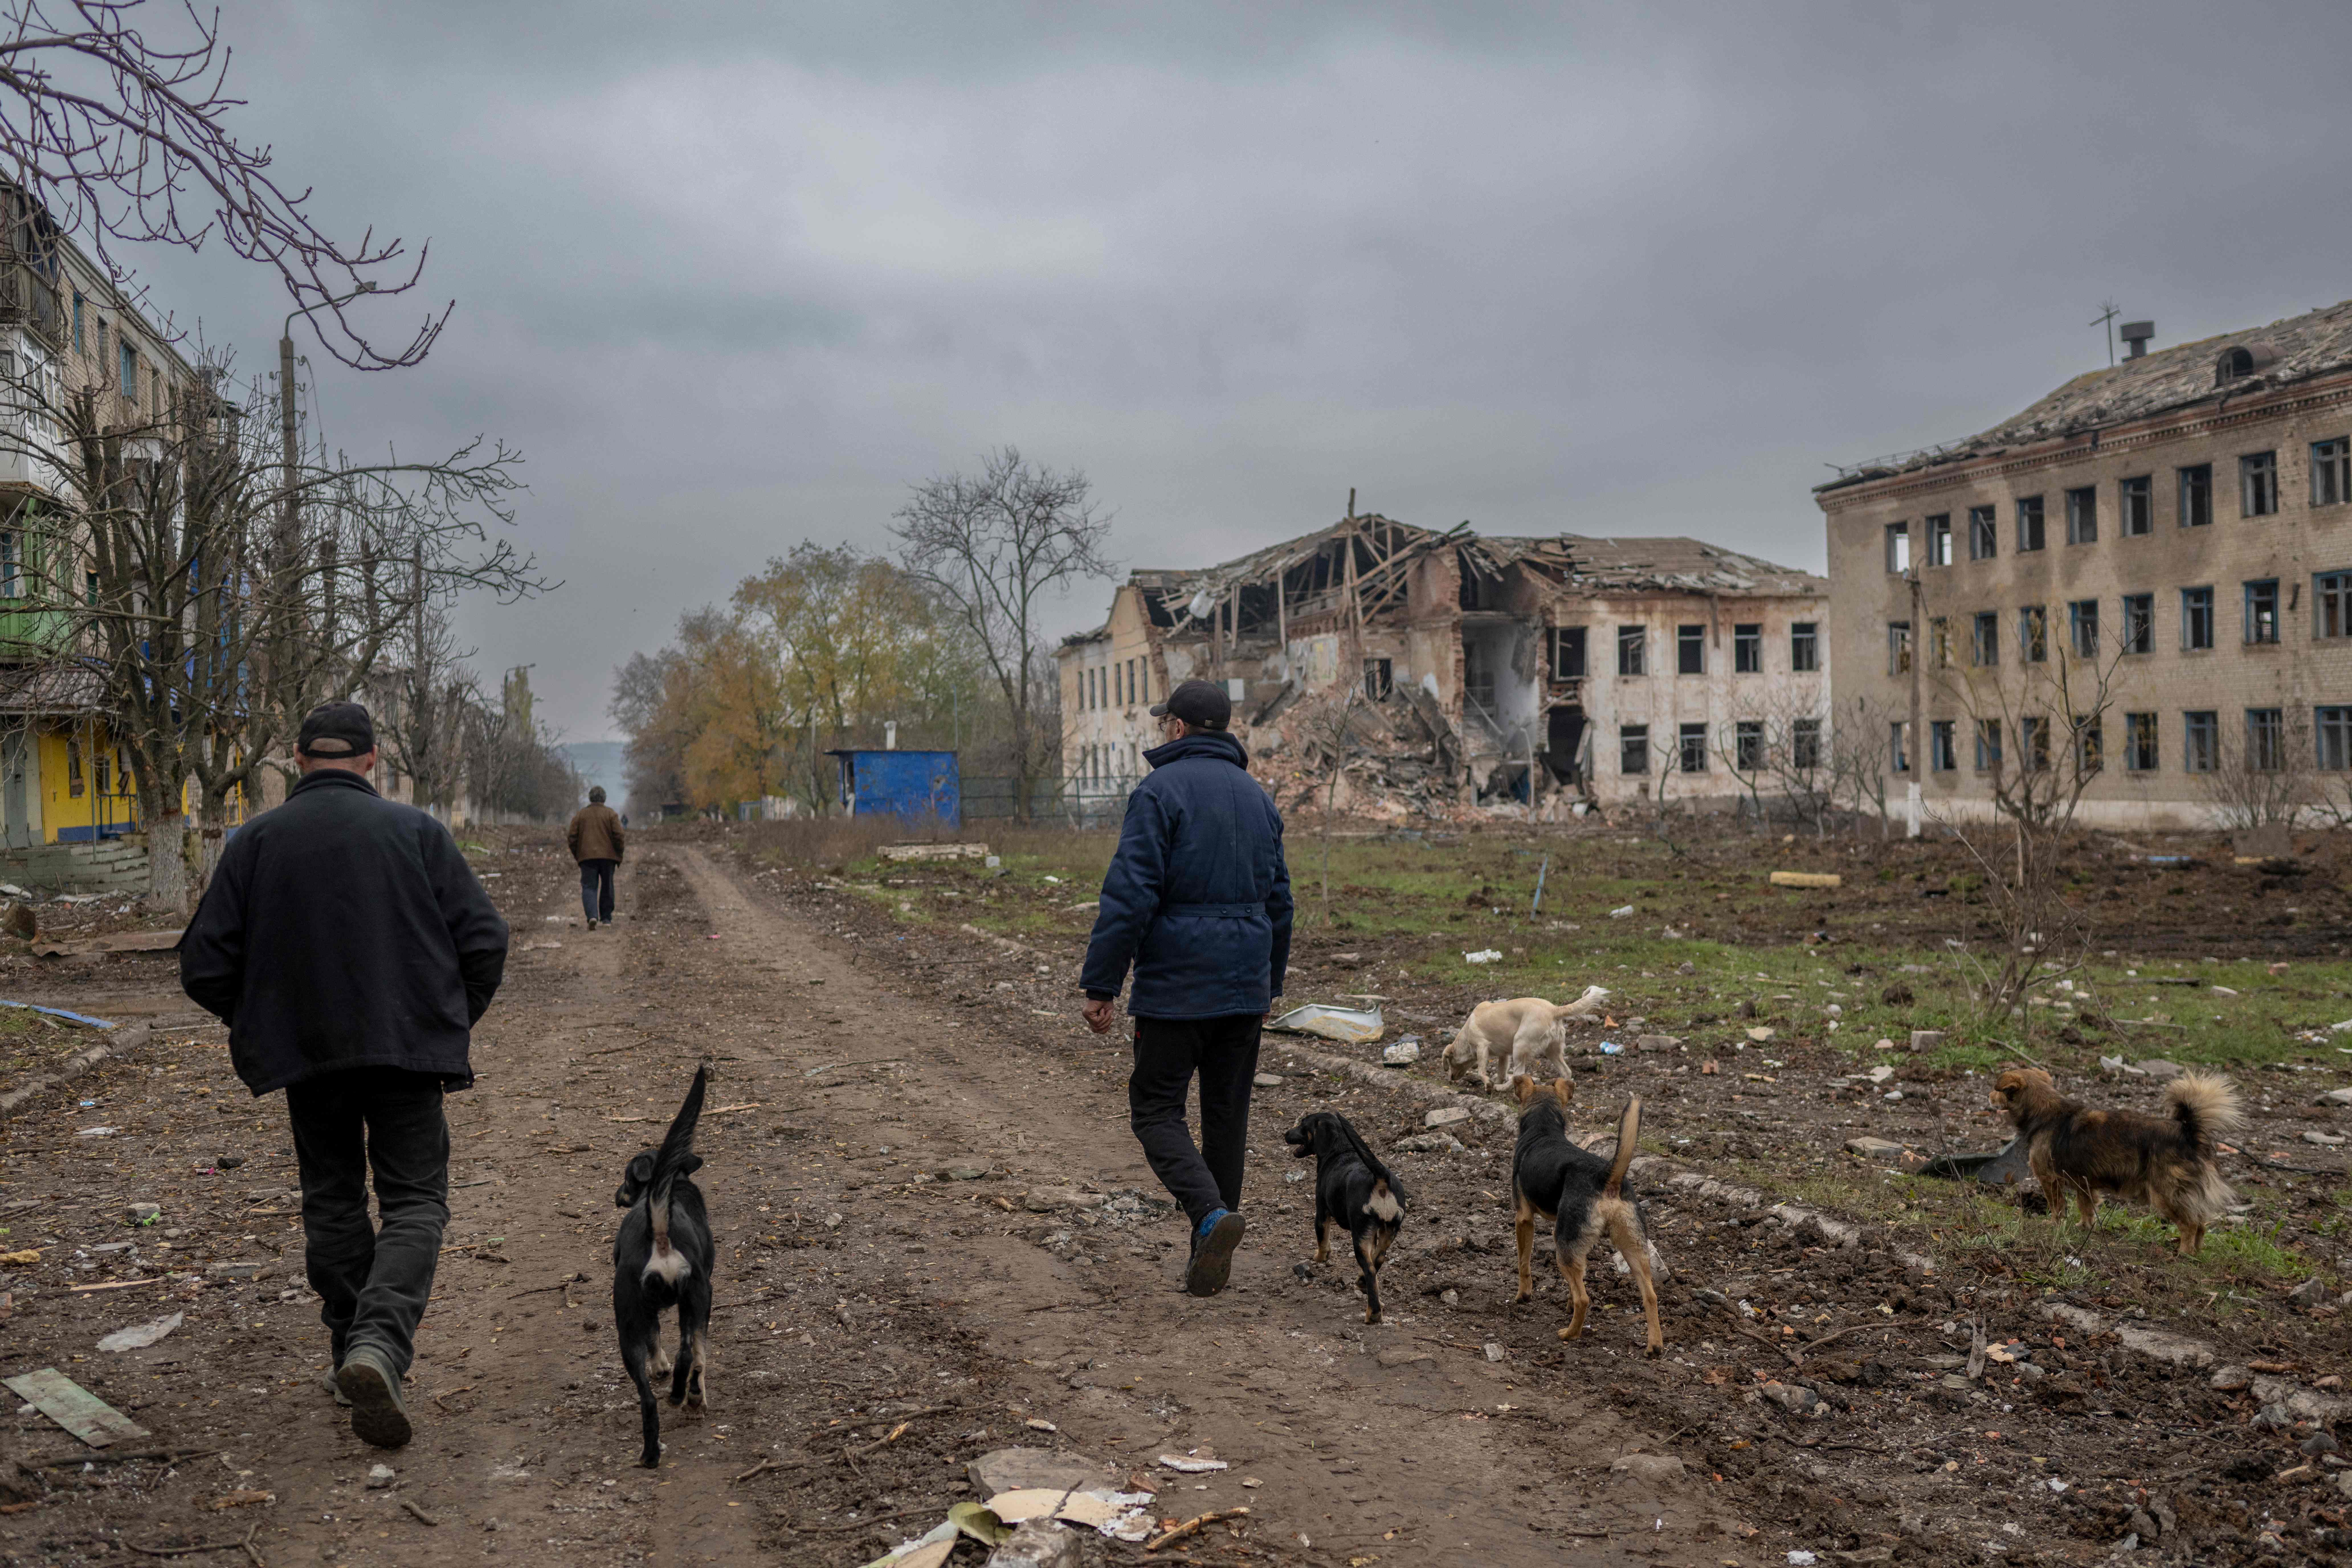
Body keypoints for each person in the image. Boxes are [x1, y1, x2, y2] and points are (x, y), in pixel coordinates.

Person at [179, 702, 509, 1449]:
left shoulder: (256, 841)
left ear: (297, 759)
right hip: (407, 1053)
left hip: (308, 1056)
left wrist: (262, 1018)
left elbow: (203, 966)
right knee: (417, 1204)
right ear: (370, 762)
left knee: (333, 1202)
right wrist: (445, 1018)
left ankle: (349, 1355)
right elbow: (486, 941)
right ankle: (378, 1350)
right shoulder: (418, 833)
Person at [1080, 678, 1292, 1297]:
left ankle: (1210, 1216)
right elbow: (1281, 903)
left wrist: (1101, 983)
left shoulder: (1158, 792)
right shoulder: (1259, 799)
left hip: (1176, 987)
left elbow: (1130, 895)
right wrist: (1269, 983)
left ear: (1176, 727)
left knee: (1154, 1108)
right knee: (1227, 1118)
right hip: (1244, 988)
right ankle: (1211, 1253)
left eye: (1161, 722)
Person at [567, 785, 626, 930]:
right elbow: (619, 836)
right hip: (608, 858)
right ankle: (606, 919)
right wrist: (619, 853)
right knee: (607, 886)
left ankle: (592, 916)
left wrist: (579, 854)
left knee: (589, 887)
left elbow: (572, 837)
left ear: (590, 798)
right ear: (604, 799)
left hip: (587, 858)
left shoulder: (581, 815)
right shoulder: (611, 814)